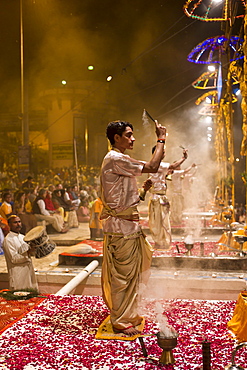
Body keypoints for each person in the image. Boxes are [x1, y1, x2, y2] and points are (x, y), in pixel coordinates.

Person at [100, 119, 166, 336]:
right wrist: (161, 139)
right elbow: (153, 167)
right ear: (116, 138)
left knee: (131, 275)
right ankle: (119, 320)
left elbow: (123, 198)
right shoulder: (115, 158)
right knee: (122, 277)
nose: (133, 138)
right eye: (128, 135)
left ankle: (127, 315)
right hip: (121, 229)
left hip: (127, 226)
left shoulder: (120, 160)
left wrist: (143, 193)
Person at [148, 146, 188, 249]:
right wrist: (183, 158)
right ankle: (161, 242)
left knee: (160, 221)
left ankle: (162, 242)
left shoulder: (153, 165)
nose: (164, 154)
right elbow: (173, 166)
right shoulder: (157, 164)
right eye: (163, 152)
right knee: (159, 222)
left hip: (158, 197)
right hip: (157, 198)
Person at [2, 215, 38, 290]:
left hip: (28, 272)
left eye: (19, 222)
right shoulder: (8, 240)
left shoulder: (23, 237)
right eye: (15, 222)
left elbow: (29, 252)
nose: (18, 224)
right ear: (9, 224)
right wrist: (28, 253)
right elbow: (14, 259)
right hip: (18, 275)